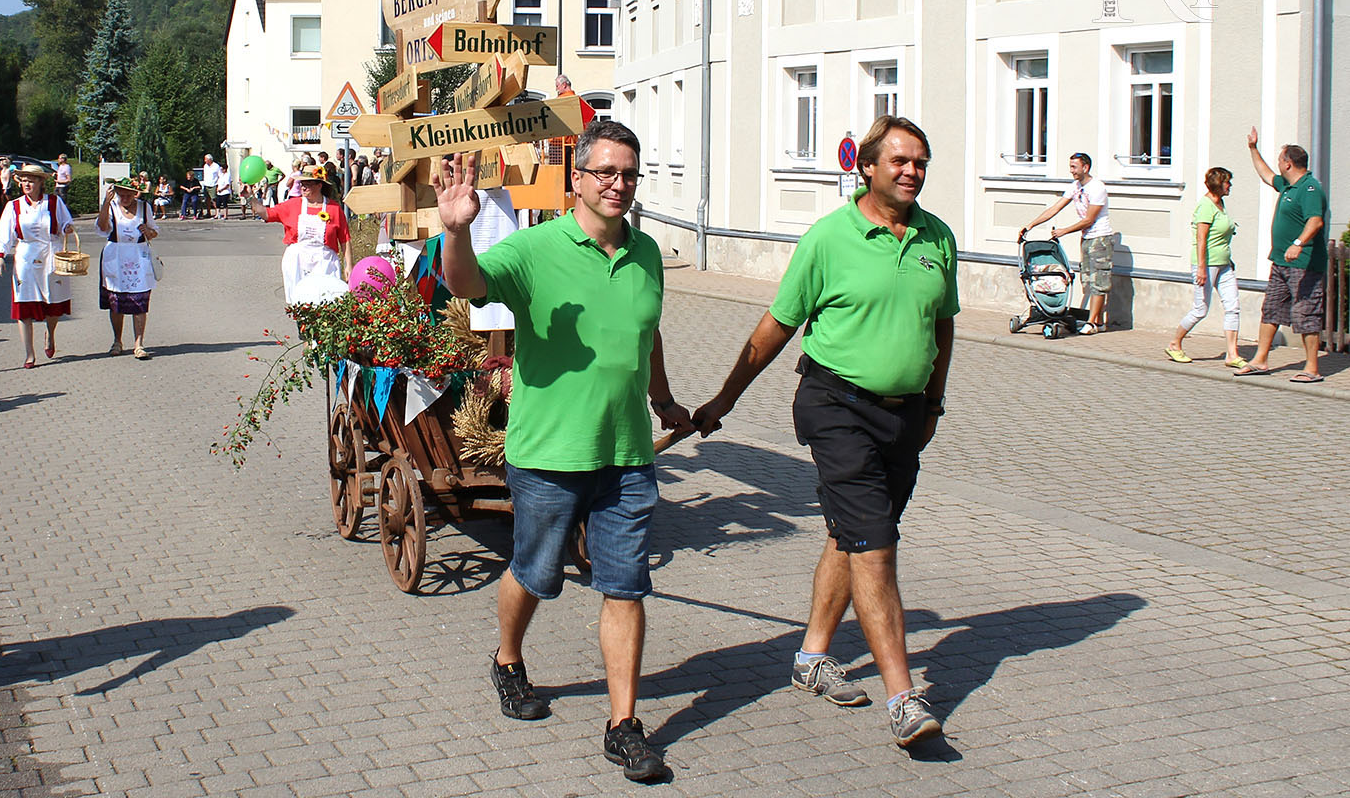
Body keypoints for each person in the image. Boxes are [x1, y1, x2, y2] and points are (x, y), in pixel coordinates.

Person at [435, 120, 691, 783]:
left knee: (626, 585)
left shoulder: (647, 255)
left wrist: (663, 402)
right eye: (605, 172)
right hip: (548, 454)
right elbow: (465, 285)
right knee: (536, 573)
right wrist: (456, 231)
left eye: (628, 174)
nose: (618, 185)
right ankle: (508, 659)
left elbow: (647, 334)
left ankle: (623, 725)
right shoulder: (534, 249)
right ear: (577, 178)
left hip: (627, 455)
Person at [692, 115, 958, 751]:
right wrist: (724, 400)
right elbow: (776, 327)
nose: (911, 172)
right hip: (835, 405)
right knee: (876, 546)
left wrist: (934, 406)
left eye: (920, 162)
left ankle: (811, 657)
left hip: (906, 414)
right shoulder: (828, 239)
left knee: (852, 534)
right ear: (866, 166)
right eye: (899, 161)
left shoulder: (936, 238)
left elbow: (942, 325)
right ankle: (902, 698)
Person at [1235, 127, 1328, 382]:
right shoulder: (1288, 185)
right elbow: (1266, 175)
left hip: (1305, 264)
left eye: (1280, 160)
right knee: (1271, 310)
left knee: (1306, 313)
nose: (1277, 164)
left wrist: (1298, 243)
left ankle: (1312, 368)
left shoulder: (1309, 189)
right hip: (1280, 262)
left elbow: (1315, 221)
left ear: (1288, 163)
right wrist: (1253, 148)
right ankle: (1260, 360)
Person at [1019, 152, 1115, 334]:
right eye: (1070, 166)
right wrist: (1031, 224)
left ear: (1085, 167)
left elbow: (1089, 219)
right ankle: (1098, 321)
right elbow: (1055, 208)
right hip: (1087, 239)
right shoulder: (1075, 186)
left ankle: (1093, 323)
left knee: (1098, 281)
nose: (1071, 171)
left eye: (1074, 167)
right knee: (1087, 279)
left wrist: (1064, 231)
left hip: (1100, 238)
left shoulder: (1097, 188)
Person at [0, 165, 75, 369]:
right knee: (24, 306)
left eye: (31, 180)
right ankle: (29, 354)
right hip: (26, 257)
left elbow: (66, 223)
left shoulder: (54, 202)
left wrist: (67, 228)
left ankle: (50, 333)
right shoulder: (14, 206)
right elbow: (4, 232)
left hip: (51, 255)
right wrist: (0, 255)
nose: (26, 184)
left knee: (53, 306)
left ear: (40, 183)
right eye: (23, 180)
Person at [1166, 168, 1245, 367]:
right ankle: (1175, 343)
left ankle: (1232, 355)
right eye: (1228, 182)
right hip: (1206, 264)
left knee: (1233, 307)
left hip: (1224, 265)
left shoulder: (1221, 204)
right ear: (1219, 184)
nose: (1230, 186)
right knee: (1201, 309)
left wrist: (1228, 258)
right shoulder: (1205, 206)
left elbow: (1223, 236)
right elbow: (1201, 240)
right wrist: (1201, 268)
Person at [243, 164, 350, 304]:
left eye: (308, 184)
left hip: (325, 262)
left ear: (319, 185)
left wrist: (349, 265)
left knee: (326, 302)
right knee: (301, 304)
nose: (303, 187)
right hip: (297, 262)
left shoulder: (334, 209)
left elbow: (345, 238)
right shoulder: (292, 205)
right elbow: (266, 214)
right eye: (302, 184)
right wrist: (250, 197)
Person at [96, 177, 159, 359]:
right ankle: (117, 341)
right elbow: (102, 227)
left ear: (135, 193)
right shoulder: (112, 207)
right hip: (115, 256)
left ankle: (139, 343)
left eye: (128, 194)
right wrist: (105, 204)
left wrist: (148, 231)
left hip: (139, 256)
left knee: (140, 301)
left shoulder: (144, 207)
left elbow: (154, 231)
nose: (124, 198)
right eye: (120, 194)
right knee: (116, 301)